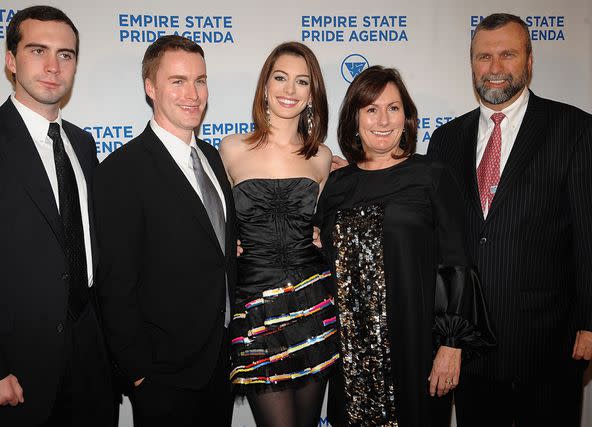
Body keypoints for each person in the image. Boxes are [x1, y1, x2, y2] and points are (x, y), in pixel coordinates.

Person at [427, 13, 592, 426]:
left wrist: (590, 324)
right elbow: (439, 240)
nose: (495, 68)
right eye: (484, 56)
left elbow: (589, 233)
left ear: (529, 61)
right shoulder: (445, 139)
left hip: (549, 345)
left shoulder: (573, 128)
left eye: (507, 55)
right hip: (471, 349)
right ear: (471, 63)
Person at [0, 6, 114, 426]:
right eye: (38, 50)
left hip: (91, 364)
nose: (52, 66)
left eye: (66, 54)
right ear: (10, 60)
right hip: (11, 369)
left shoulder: (82, 144)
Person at [315, 65, 495, 427]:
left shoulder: (431, 175)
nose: (383, 119)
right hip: (349, 357)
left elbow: (456, 261)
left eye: (393, 108)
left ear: (407, 117)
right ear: (354, 118)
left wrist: (451, 344)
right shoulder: (336, 184)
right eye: (371, 109)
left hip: (415, 349)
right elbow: (321, 256)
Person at [94, 35, 236, 427]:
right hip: (163, 375)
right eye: (177, 81)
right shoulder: (121, 172)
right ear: (150, 87)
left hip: (220, 362)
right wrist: (139, 373)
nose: (193, 94)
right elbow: (115, 285)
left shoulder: (211, 157)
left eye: (200, 80)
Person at [219, 41, 337, 427]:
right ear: (265, 86)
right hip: (255, 310)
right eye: (281, 78)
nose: (289, 90)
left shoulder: (322, 156)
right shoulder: (230, 149)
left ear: (312, 93)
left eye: (301, 81)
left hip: (313, 305)